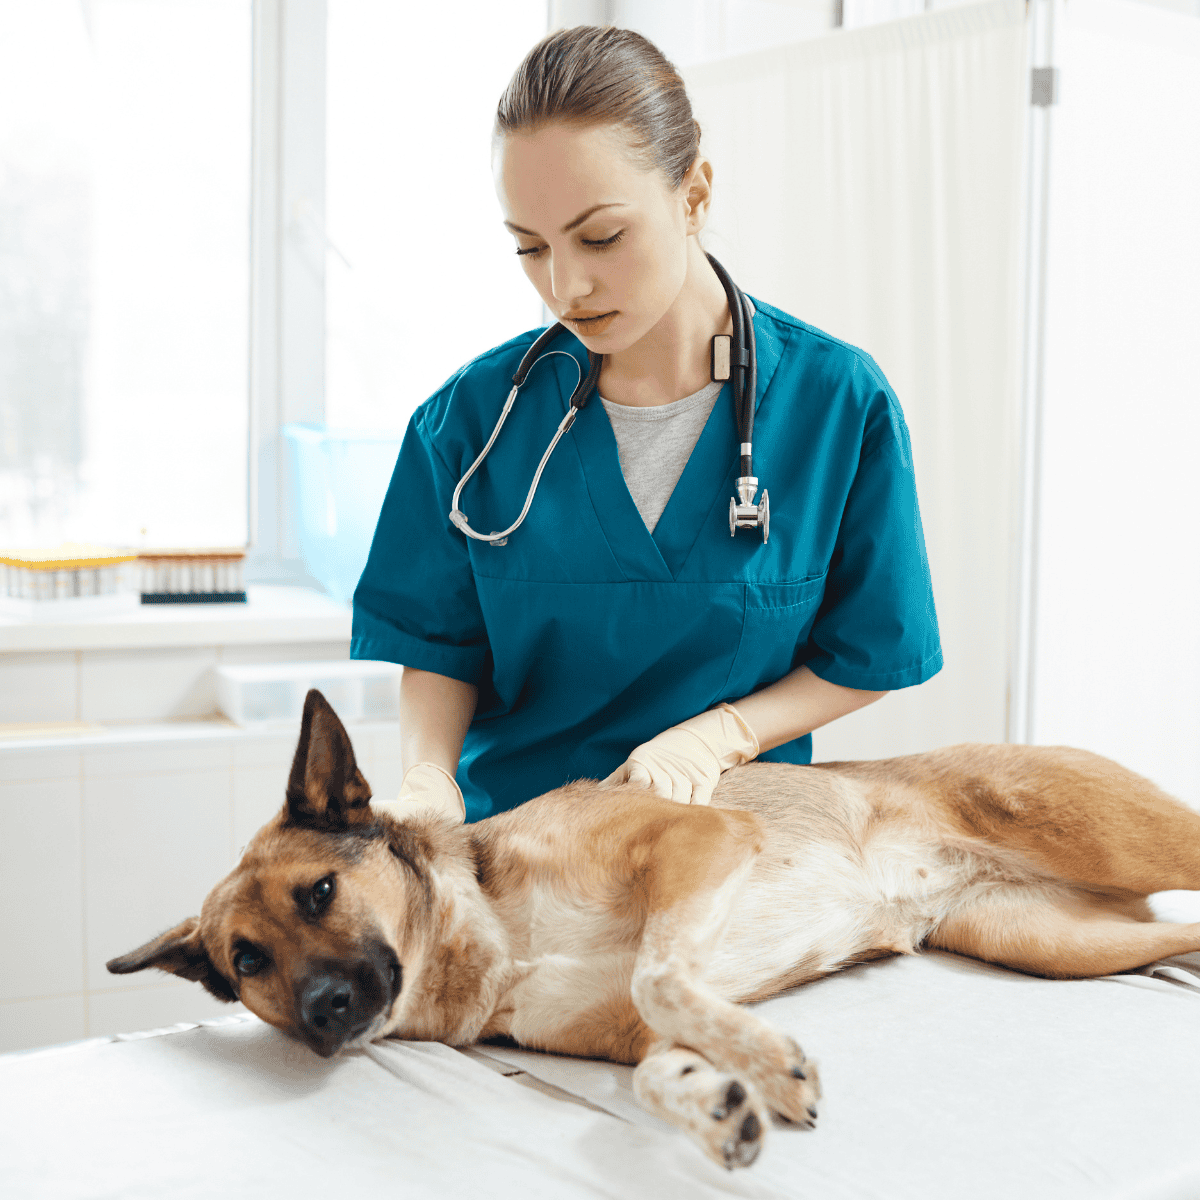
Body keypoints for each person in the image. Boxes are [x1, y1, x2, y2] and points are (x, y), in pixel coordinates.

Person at [351, 25, 942, 825]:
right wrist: (429, 779)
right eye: (530, 247)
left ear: (693, 196)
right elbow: (436, 647)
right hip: (518, 856)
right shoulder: (470, 422)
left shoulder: (836, 402)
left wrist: (727, 734)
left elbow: (873, 650)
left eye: (601, 237)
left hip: (734, 857)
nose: (566, 285)